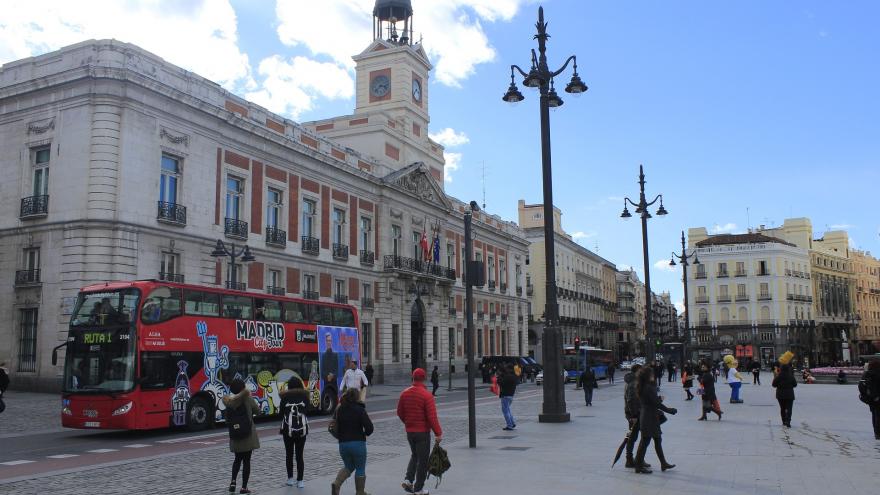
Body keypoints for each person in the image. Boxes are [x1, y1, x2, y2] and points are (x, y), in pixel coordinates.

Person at [397, 368, 442, 495]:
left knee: (415, 455)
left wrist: (408, 423)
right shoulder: (427, 395)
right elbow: (432, 417)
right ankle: (418, 489)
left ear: (413, 377)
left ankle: (408, 480)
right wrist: (438, 433)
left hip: (410, 431)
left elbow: (400, 412)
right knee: (423, 461)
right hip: (422, 432)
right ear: (424, 378)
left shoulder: (404, 393)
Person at [632, 366, 677, 474]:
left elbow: (653, 401)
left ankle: (663, 463)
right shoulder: (647, 387)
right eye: (652, 374)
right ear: (648, 376)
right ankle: (638, 466)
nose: (653, 375)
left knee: (657, 440)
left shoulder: (644, 386)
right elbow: (656, 403)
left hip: (649, 416)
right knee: (645, 442)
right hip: (649, 418)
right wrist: (669, 410)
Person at [331, 388, 374, 495]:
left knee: (348, 466)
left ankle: (337, 483)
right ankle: (360, 492)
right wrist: (365, 434)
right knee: (360, 468)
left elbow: (334, 424)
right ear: (357, 397)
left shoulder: (339, 409)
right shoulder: (360, 409)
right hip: (358, 443)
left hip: (343, 444)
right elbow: (370, 428)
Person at [223, 378, 261, 494]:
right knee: (247, 461)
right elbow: (258, 411)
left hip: (235, 436)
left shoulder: (229, 401)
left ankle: (233, 482)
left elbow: (227, 419)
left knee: (237, 460)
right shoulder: (248, 399)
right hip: (247, 435)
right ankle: (244, 487)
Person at [279, 376, 309, 487]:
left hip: (288, 429)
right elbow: (307, 411)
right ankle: (300, 480)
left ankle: (290, 478)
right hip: (302, 430)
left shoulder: (285, 397)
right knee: (299, 455)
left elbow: (281, 413)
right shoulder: (305, 396)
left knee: (289, 454)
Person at [623, 363, 645, 468]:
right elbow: (631, 400)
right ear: (637, 371)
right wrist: (634, 415)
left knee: (635, 436)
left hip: (634, 413)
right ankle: (631, 459)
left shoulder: (633, 381)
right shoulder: (633, 383)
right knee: (633, 437)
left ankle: (636, 459)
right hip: (634, 414)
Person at [772, 353, 797, 428]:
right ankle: (788, 421)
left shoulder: (778, 376)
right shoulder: (791, 376)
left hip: (780, 395)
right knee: (789, 408)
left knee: (782, 408)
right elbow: (795, 384)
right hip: (789, 395)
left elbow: (773, 385)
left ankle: (784, 421)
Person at [860, 360, 880, 440]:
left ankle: (877, 433)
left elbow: (861, 385)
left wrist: (865, 396)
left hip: (870, 399)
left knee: (874, 415)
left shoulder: (866, 374)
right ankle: (878, 433)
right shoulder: (877, 373)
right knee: (878, 415)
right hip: (878, 398)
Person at [499, 365, 518, 430]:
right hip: (511, 395)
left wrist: (499, 377)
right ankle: (512, 423)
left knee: (505, 411)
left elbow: (501, 383)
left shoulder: (507, 377)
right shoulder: (514, 376)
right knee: (508, 410)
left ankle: (509, 425)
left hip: (505, 395)